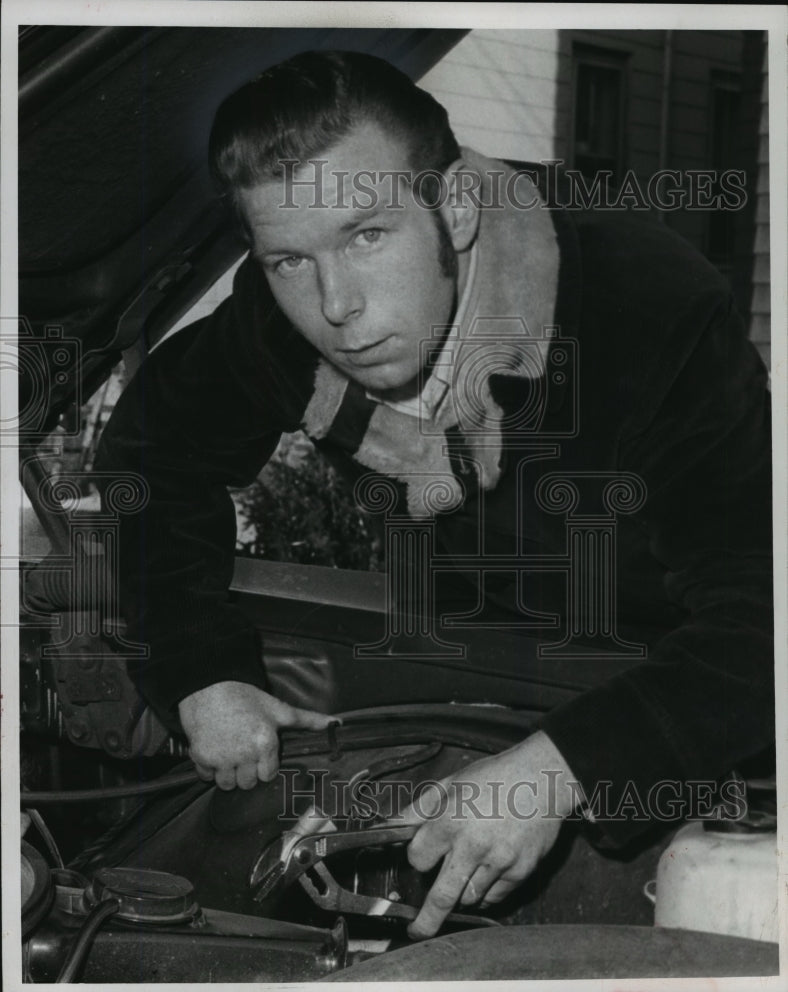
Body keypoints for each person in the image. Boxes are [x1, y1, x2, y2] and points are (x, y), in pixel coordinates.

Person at [95, 50, 774, 940]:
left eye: (367, 236)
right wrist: (199, 670)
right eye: (289, 260)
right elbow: (152, 456)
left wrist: (566, 769)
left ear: (454, 209)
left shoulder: (648, 310)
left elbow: (764, 617)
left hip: (671, 688)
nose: (337, 306)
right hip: (473, 656)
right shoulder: (283, 314)